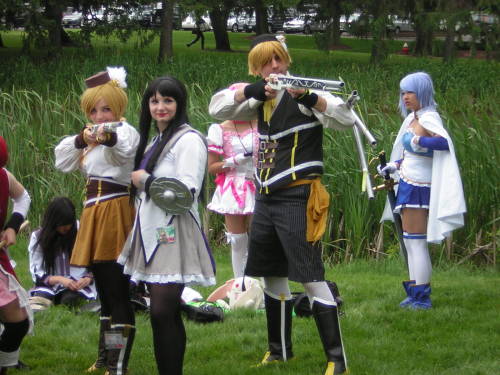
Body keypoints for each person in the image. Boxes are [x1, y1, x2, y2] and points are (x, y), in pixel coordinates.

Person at [209, 34, 356, 375]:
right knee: (273, 275)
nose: (274, 67)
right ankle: (279, 352)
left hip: (298, 196)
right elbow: (217, 107)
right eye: (265, 62)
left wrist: (311, 97)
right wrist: (252, 91)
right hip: (265, 198)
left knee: (310, 276)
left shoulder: (304, 96)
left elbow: (346, 119)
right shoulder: (260, 98)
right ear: (257, 68)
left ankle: (337, 360)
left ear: (287, 61)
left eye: (278, 60)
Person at [118, 76, 215, 375]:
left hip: (174, 233)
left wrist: (145, 181)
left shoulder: (189, 140)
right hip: (151, 232)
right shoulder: (156, 140)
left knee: (161, 310)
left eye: (168, 100)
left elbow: (185, 195)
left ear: (179, 103)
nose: (160, 107)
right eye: (154, 101)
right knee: (163, 313)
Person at [54, 67, 139, 375]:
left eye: (106, 108)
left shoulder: (125, 132)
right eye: (93, 110)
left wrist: (107, 136)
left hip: (114, 210)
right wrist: (82, 138)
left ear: (119, 107)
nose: (100, 115)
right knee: (104, 290)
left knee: (116, 290)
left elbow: (123, 152)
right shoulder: (90, 136)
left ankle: (118, 365)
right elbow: (62, 161)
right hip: (94, 211)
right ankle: (105, 358)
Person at [378, 71, 466, 310]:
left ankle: (421, 297)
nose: (405, 97)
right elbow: (407, 155)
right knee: (410, 242)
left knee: (416, 243)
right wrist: (392, 165)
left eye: (410, 92)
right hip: (407, 183)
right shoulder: (412, 119)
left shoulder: (429, 118)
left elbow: (444, 143)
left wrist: (419, 141)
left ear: (422, 93)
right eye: (403, 92)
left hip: (420, 187)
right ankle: (415, 292)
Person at [207, 82, 259, 278]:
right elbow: (212, 167)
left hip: (259, 183)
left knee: (260, 237)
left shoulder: (264, 124)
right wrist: (233, 161)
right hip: (233, 186)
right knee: (237, 240)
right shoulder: (219, 129)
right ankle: (240, 284)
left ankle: (262, 285)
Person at [28, 197, 97, 309]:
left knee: (70, 299)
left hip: (77, 282)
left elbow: (94, 259)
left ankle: (64, 298)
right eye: (63, 224)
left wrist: (88, 278)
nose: (67, 227)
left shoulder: (81, 230)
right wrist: (60, 279)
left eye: (69, 223)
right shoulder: (38, 237)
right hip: (51, 283)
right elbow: (36, 272)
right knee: (39, 301)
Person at [0, 135, 32, 374]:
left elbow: (22, 198)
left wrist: (12, 225)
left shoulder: (4, 177)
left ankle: (5, 362)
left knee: (18, 320)